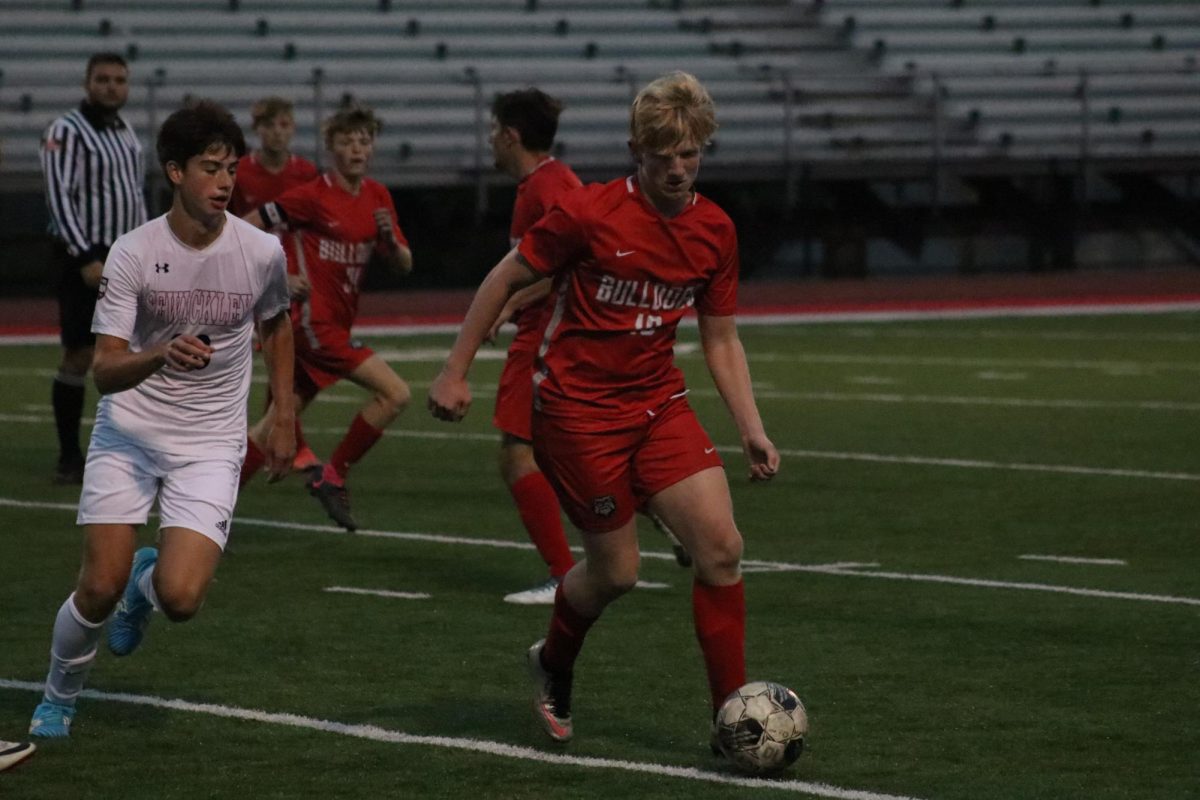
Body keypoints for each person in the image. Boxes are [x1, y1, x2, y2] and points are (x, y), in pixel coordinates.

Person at [428, 71, 779, 747]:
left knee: (722, 548)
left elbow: (720, 335)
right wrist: (455, 368)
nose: (677, 169)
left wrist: (751, 428)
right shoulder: (591, 213)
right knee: (617, 573)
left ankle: (728, 719)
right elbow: (505, 276)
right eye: (661, 157)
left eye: (689, 154)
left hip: (657, 406)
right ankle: (553, 661)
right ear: (635, 152)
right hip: (577, 415)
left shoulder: (716, 230)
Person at [28, 101, 295, 738]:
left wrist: (283, 413)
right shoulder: (133, 252)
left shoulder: (260, 251)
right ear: (175, 172)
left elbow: (278, 322)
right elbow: (106, 369)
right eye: (211, 168)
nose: (226, 182)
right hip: (130, 434)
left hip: (210, 443)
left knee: (180, 599)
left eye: (231, 168)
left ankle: (148, 582)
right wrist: (159, 354)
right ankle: (58, 697)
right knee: (97, 585)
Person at [239, 105, 413, 532]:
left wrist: (390, 241)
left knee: (267, 428)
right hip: (314, 327)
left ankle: (210, 503)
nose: (357, 148)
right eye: (347, 141)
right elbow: (245, 228)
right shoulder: (312, 195)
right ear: (331, 147)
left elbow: (405, 266)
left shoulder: (377, 197)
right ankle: (333, 476)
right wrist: (279, 274)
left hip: (334, 327)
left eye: (364, 141)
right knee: (396, 394)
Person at [485, 88, 582, 605]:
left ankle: (564, 574)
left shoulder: (548, 187)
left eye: (493, 131)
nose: (490, 142)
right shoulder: (544, 183)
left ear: (511, 135)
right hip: (548, 332)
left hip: (544, 336)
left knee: (517, 456)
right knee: (555, 451)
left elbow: (575, 260)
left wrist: (505, 305)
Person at [41, 52, 148, 484]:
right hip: (87, 254)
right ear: (87, 83)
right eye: (102, 79)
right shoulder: (67, 130)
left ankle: (131, 448)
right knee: (81, 353)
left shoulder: (125, 130)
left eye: (119, 80)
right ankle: (69, 457)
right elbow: (59, 195)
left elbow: (134, 194)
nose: (111, 87)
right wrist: (85, 256)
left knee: (134, 351)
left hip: (126, 252)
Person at [228, 96, 322, 473]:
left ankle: (283, 440)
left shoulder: (306, 173)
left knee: (288, 354)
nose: (278, 132)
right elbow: (230, 228)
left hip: (293, 275)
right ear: (258, 130)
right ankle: (263, 441)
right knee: (243, 360)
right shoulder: (241, 173)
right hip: (247, 275)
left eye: (284, 124)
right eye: (270, 125)